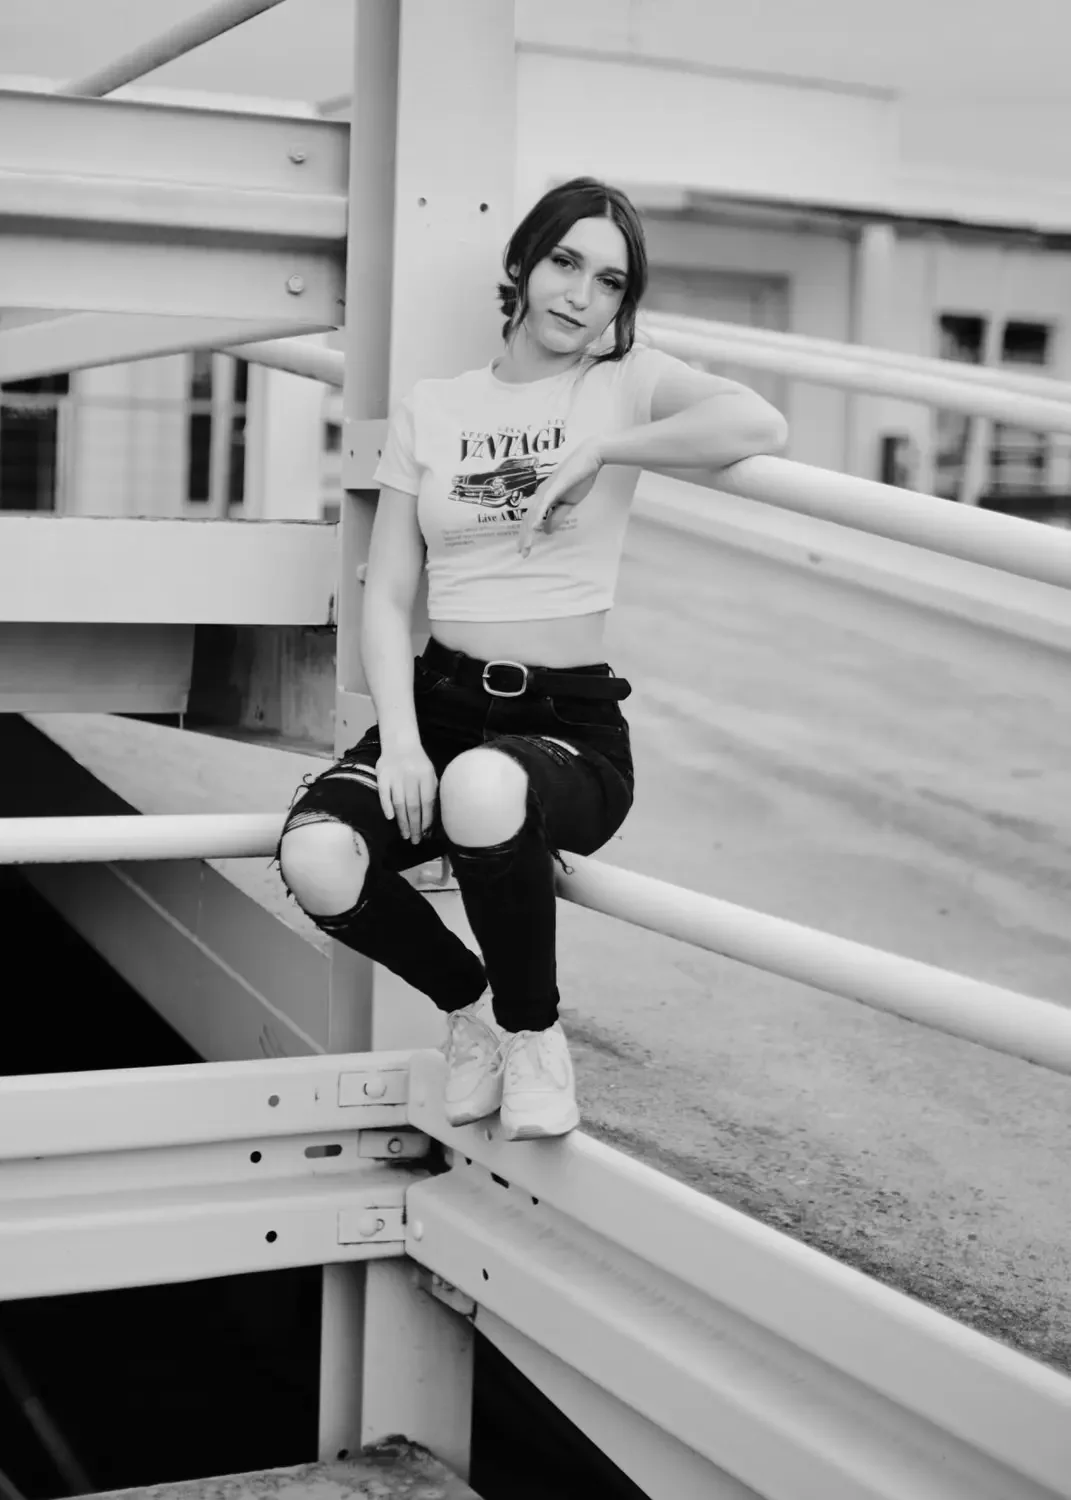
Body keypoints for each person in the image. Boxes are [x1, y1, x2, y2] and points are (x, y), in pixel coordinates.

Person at [276, 176, 787, 1141]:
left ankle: (535, 1034)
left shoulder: (621, 380)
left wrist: (605, 451)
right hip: (441, 703)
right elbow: (387, 596)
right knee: (316, 855)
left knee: (481, 785)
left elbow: (759, 426)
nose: (580, 295)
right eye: (563, 262)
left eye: (608, 282)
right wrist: (400, 744)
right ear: (521, 264)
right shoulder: (437, 408)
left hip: (564, 727)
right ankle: (470, 1012)